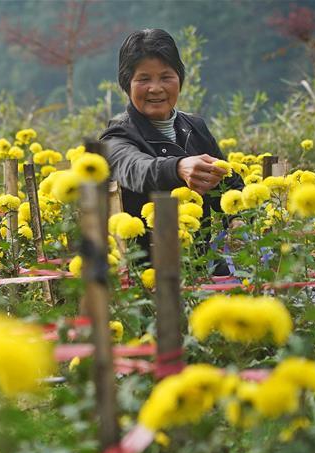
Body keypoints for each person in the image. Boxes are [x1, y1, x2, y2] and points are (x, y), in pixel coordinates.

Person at [100, 28, 243, 273]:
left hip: (199, 266)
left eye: (166, 77)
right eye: (144, 79)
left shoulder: (194, 128)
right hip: (145, 278)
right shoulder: (116, 136)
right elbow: (137, 169)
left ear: (179, 78)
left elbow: (229, 186)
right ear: (127, 83)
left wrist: (239, 220)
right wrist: (177, 167)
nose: (156, 88)